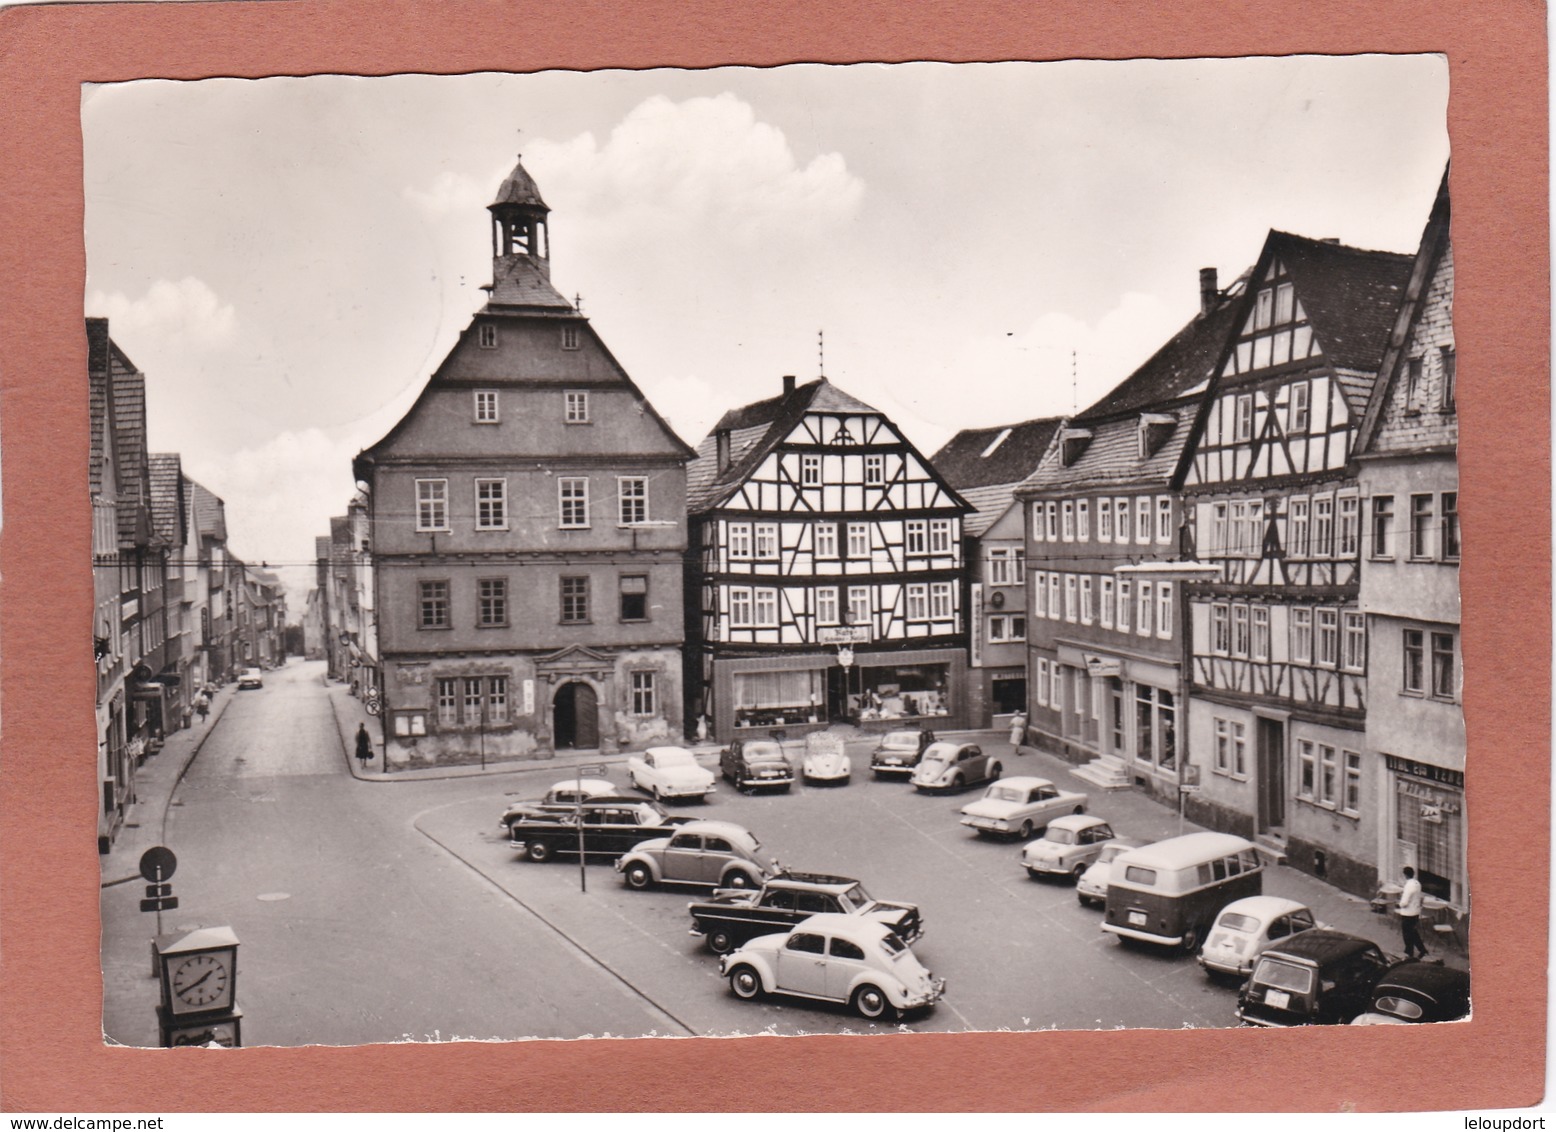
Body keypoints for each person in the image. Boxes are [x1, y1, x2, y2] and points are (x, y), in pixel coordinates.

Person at [1398, 865, 1428, 959]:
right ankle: (1422, 950)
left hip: (1408, 913)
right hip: (1415, 912)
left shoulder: (1408, 886)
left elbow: (1404, 902)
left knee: (1407, 933)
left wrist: (1399, 904)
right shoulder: (1417, 883)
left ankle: (1409, 951)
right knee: (1413, 932)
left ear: (1405, 875)